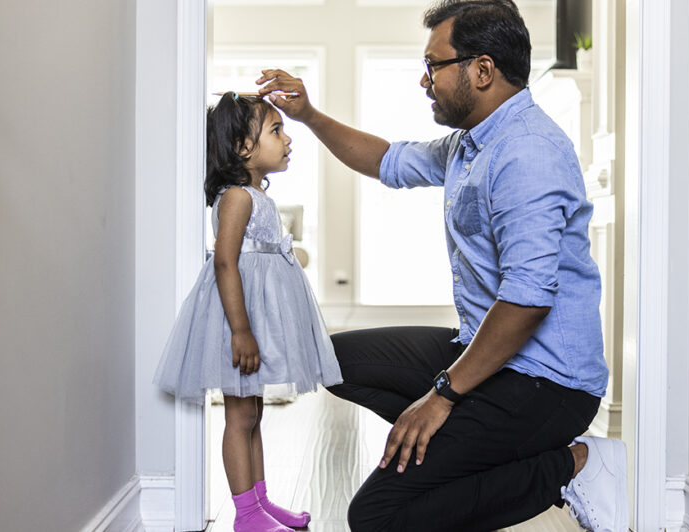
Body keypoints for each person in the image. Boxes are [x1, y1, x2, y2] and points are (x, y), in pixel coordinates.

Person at [254, 0, 628, 530]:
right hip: (489, 355)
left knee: (377, 516)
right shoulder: (470, 144)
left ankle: (572, 465)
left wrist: (442, 396)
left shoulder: (529, 152)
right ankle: (468, 445)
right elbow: (385, 159)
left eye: (434, 65)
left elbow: (527, 301)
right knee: (329, 359)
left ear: (481, 70)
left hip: (548, 384)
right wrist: (308, 115)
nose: (424, 79)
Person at [153, 92, 343, 532]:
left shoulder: (257, 195)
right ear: (242, 147)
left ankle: (259, 501)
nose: (287, 138)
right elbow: (225, 262)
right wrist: (241, 330)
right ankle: (245, 514)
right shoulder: (237, 197)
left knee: (252, 413)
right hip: (238, 320)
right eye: (276, 130)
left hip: (253, 317)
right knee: (239, 417)